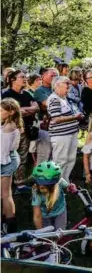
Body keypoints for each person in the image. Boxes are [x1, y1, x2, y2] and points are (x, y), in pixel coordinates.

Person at [2, 70, 39, 187]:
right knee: (6, 156)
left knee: (22, 157)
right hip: (9, 131)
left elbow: (36, 108)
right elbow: (8, 113)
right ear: (13, 79)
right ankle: (6, 181)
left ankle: (19, 183)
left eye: (25, 77)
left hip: (24, 130)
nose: (25, 79)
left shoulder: (27, 94)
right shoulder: (7, 95)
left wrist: (22, 110)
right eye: (22, 77)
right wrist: (27, 110)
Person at [47, 76, 82, 181]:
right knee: (60, 160)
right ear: (57, 85)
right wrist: (75, 117)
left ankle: (64, 182)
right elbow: (56, 119)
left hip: (71, 133)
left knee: (71, 159)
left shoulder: (64, 98)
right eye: (66, 83)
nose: (69, 85)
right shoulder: (54, 99)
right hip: (61, 135)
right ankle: (56, 185)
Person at [30, 161, 76, 230]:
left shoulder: (59, 182)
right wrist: (40, 232)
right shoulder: (36, 192)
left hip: (60, 211)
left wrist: (70, 187)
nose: (41, 188)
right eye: (39, 184)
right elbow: (37, 216)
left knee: (60, 232)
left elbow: (68, 187)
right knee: (47, 234)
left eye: (44, 187)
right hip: (45, 215)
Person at [1, 98, 22, 233]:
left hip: (6, 160)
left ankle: (11, 228)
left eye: (2, 110)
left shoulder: (9, 127)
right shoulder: (6, 123)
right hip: (7, 157)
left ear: (11, 112)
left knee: (5, 194)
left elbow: (3, 152)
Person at [33, 68, 57, 164]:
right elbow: (49, 104)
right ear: (43, 77)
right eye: (52, 75)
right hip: (45, 125)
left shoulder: (57, 89)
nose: (55, 78)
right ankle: (40, 177)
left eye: (56, 76)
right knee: (44, 153)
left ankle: (52, 176)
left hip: (57, 124)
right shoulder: (39, 90)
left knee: (54, 154)